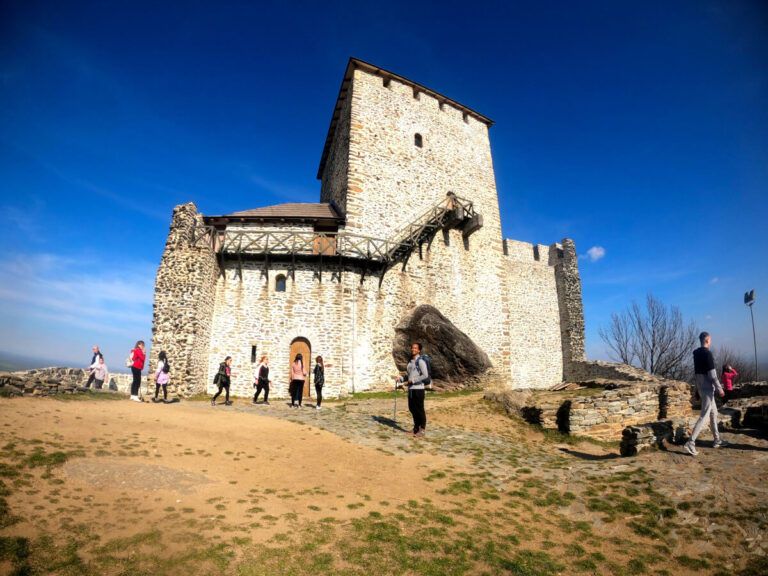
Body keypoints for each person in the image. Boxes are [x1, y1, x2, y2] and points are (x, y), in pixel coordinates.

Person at [685, 332, 727, 456]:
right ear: (707, 340)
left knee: (714, 413)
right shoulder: (707, 354)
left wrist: (697, 390)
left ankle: (717, 440)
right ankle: (690, 443)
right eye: (710, 340)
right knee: (704, 416)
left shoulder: (696, 354)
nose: (711, 342)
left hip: (702, 387)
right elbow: (712, 375)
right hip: (708, 389)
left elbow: (697, 374)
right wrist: (720, 389)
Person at [394, 343, 429, 437]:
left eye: (415, 348)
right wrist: (400, 379)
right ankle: (416, 428)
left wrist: (414, 380)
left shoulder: (421, 361)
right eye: (412, 347)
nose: (413, 349)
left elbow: (425, 375)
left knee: (419, 409)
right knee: (412, 409)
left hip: (419, 389)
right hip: (411, 389)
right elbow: (408, 376)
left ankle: (422, 429)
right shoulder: (410, 361)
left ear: (418, 350)